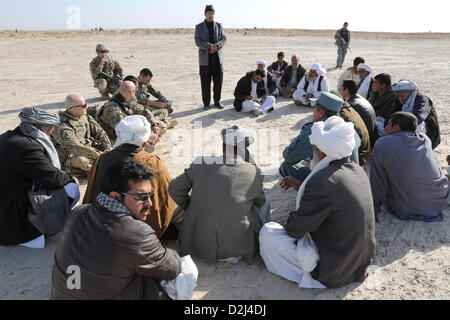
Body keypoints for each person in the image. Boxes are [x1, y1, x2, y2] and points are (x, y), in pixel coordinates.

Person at [260, 116, 376, 289]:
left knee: (268, 232)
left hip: (336, 271)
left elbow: (295, 229)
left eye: (314, 148)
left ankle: (311, 279)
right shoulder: (357, 169)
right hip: (360, 262)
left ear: (321, 151)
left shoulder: (323, 181)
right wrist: (301, 188)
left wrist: (299, 209)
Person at [51, 159, 187, 300]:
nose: (150, 203)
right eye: (142, 197)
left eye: (151, 196)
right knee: (178, 276)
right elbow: (173, 268)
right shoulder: (137, 234)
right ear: (115, 197)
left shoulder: (79, 212)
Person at [168, 126, 270, 264]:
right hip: (236, 248)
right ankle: (263, 242)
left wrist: (190, 205)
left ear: (223, 146)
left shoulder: (200, 163)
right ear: (244, 149)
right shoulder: (254, 172)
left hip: (197, 246)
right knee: (264, 203)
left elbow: (174, 189)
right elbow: (260, 201)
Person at [83, 116, 177, 239]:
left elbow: (92, 192)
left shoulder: (101, 158)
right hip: (138, 233)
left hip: (98, 224)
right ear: (144, 142)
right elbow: (166, 196)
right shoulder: (152, 162)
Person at [0, 107, 79, 246]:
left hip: (7, 198)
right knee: (72, 187)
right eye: (52, 130)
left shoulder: (9, 136)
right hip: (11, 216)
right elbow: (54, 179)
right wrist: (71, 178)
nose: (52, 134)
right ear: (43, 129)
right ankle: (36, 233)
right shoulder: (26, 147)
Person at [370, 112, 449, 222]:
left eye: (389, 124)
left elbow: (377, 180)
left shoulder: (382, 143)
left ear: (396, 127)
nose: (386, 127)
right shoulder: (425, 139)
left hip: (409, 208)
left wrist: (374, 206)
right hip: (439, 200)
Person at [279, 92, 360, 182]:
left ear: (321, 112)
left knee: (286, 166)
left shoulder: (315, 130)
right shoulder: (348, 128)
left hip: (330, 183)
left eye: (314, 107)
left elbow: (289, 156)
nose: (313, 111)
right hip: (353, 177)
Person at [52, 94, 112, 176]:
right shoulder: (63, 125)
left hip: (89, 149)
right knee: (82, 160)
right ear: (74, 109)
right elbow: (72, 145)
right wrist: (98, 154)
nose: (86, 107)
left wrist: (108, 149)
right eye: (84, 105)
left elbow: (100, 133)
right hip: (72, 156)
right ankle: (102, 168)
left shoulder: (85, 117)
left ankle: (102, 165)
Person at [97, 81, 161, 143]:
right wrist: (148, 136)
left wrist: (154, 124)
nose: (135, 93)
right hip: (111, 139)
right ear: (131, 93)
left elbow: (142, 111)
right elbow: (125, 129)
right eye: (134, 91)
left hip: (123, 133)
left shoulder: (127, 100)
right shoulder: (113, 110)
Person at [385, 80, 441, 149]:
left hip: (428, 134)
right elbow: (391, 113)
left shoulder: (423, 100)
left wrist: (400, 128)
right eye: (398, 96)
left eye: (402, 96)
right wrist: (387, 125)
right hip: (406, 128)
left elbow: (418, 118)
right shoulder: (400, 99)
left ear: (411, 92)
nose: (400, 99)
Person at [195, 5, 227, 110]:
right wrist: (209, 46)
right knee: (205, 83)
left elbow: (224, 38)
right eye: (209, 13)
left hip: (218, 59)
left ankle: (217, 102)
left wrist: (217, 46)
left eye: (212, 13)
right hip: (205, 60)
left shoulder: (219, 25)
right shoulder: (199, 27)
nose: (210, 15)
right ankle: (206, 104)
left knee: (218, 82)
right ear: (205, 14)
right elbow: (198, 41)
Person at [340, 80, 378, 148]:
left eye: (340, 87)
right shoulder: (358, 98)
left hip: (367, 140)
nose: (338, 89)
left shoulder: (351, 105)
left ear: (346, 90)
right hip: (372, 134)